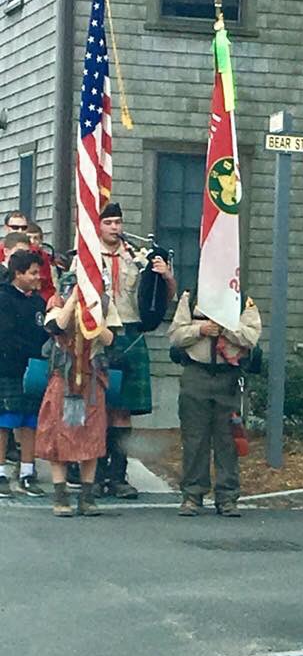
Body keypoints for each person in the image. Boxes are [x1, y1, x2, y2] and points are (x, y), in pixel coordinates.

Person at [93, 202, 176, 498]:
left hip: (130, 333)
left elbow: (160, 298)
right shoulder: (87, 257)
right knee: (97, 409)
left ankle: (118, 476)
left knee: (122, 412)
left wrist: (165, 275)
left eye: (118, 221)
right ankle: (95, 474)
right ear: (98, 225)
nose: (115, 227)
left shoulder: (137, 258)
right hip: (98, 334)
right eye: (109, 222)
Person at [169, 291, 262, 517]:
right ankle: (192, 495)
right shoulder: (190, 297)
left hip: (227, 376)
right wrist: (199, 330)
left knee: (228, 439)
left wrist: (227, 329)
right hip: (196, 373)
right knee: (194, 439)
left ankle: (227, 497)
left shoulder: (243, 300)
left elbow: (251, 338)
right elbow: (175, 335)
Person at [35, 275, 113, 516]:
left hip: (91, 379)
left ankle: (87, 497)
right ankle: (60, 496)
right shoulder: (55, 302)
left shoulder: (104, 304)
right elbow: (56, 326)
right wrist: (72, 302)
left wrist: (92, 317)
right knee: (59, 436)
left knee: (91, 436)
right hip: (63, 379)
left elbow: (110, 339)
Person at [0, 250, 47, 498]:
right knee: (5, 420)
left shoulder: (39, 303)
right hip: (9, 368)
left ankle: (28, 472)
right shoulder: (4, 299)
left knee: (31, 420)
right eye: (33, 273)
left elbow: (44, 332)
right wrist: (33, 350)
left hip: (35, 370)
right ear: (18, 273)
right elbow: (6, 336)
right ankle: (1, 474)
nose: (38, 277)